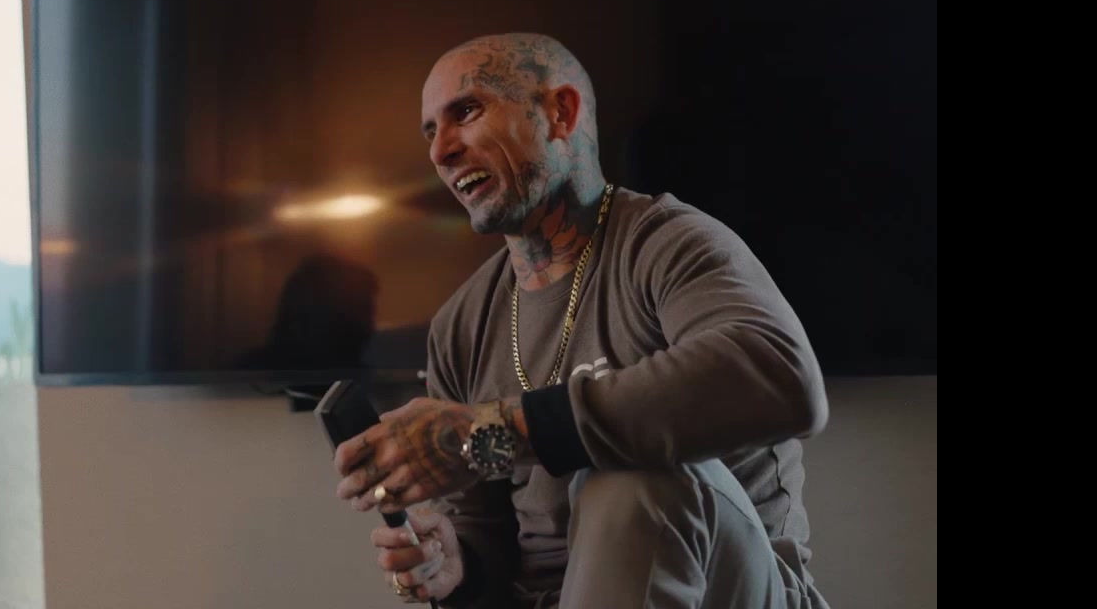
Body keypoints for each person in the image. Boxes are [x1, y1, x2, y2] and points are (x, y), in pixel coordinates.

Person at [333, 33, 831, 609]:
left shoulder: (671, 244)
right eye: (430, 132)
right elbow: (485, 540)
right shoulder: (459, 325)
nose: (440, 152)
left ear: (560, 113)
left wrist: (487, 430)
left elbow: (782, 379)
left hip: (727, 592)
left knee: (630, 470)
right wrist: (456, 568)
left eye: (465, 112)